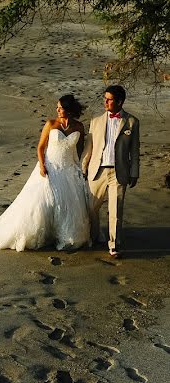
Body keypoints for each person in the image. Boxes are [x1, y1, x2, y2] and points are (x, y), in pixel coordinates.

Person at [0, 95, 91, 251]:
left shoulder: (79, 127)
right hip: (50, 166)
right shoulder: (51, 124)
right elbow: (41, 147)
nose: (57, 110)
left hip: (69, 169)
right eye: (57, 107)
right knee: (42, 203)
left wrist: (82, 167)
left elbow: (80, 149)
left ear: (68, 110)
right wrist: (42, 166)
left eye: (60, 108)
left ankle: (63, 235)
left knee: (67, 204)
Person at [82, 85, 140, 258]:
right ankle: (94, 236)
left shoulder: (132, 122)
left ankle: (114, 245)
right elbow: (89, 148)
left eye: (109, 99)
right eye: (105, 98)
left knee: (116, 210)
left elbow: (135, 150)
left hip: (119, 172)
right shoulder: (96, 121)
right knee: (92, 207)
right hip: (97, 170)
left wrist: (135, 172)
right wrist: (82, 167)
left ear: (120, 101)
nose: (105, 102)